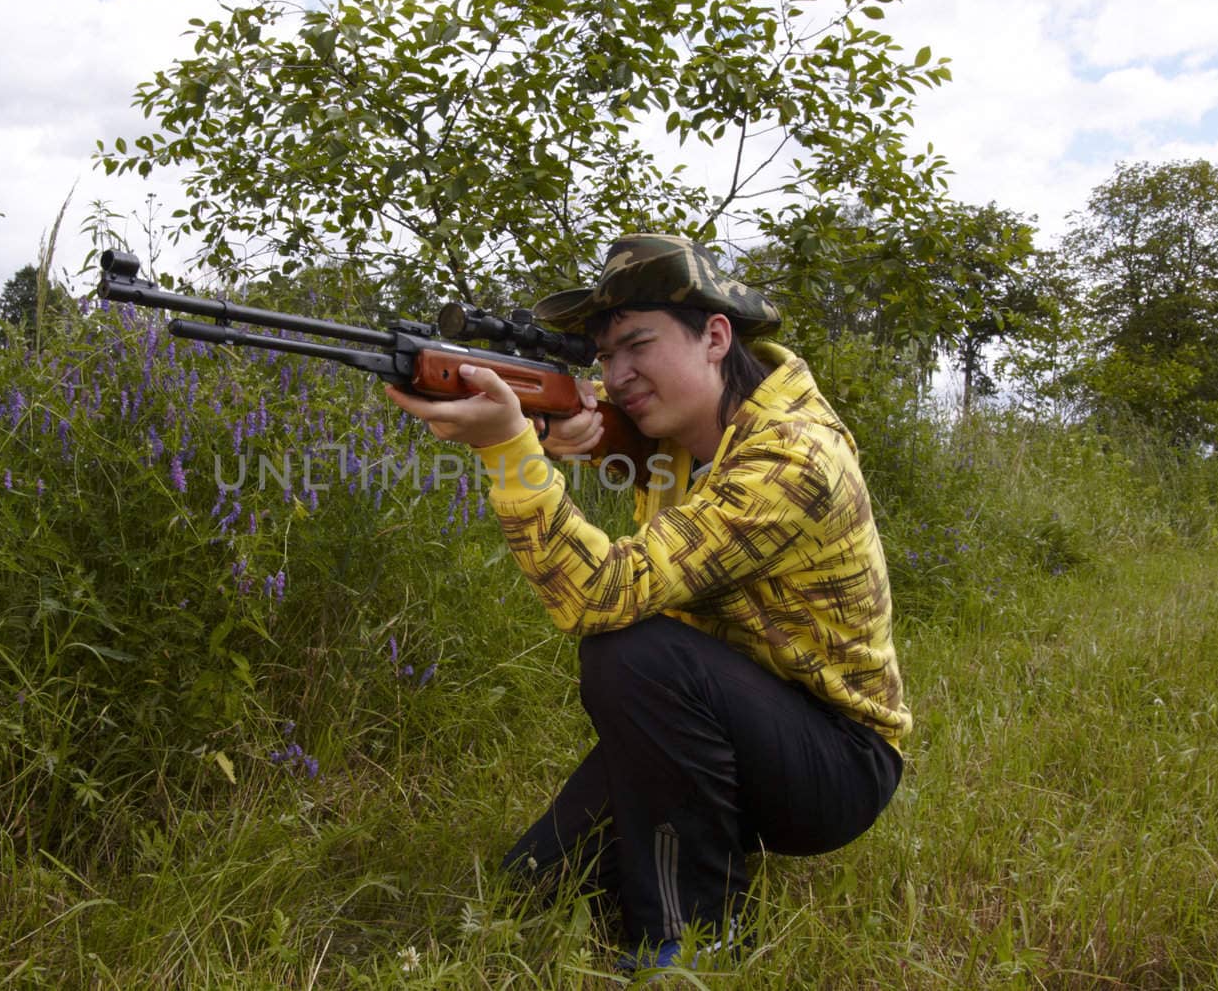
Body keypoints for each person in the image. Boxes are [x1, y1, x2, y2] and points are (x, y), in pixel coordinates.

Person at [384, 234, 909, 971]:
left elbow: (603, 592)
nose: (618, 374)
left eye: (638, 345)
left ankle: (693, 938)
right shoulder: (688, 430)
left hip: (835, 762)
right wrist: (580, 435)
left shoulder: (793, 457)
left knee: (630, 649)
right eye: (603, 357)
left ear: (716, 336)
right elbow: (636, 445)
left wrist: (511, 449)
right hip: (730, 721)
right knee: (527, 890)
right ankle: (678, 853)